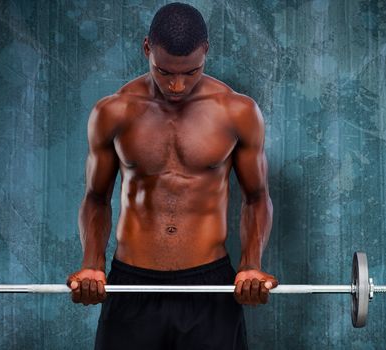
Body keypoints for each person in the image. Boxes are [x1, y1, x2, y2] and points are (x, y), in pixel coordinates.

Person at [67, 3, 276, 349]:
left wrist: (251, 264)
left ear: (206, 51)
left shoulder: (237, 111)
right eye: (164, 72)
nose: (177, 86)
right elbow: (96, 197)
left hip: (209, 286)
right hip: (133, 284)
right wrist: (92, 263)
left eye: (191, 72)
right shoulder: (113, 112)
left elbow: (257, 198)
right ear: (147, 48)